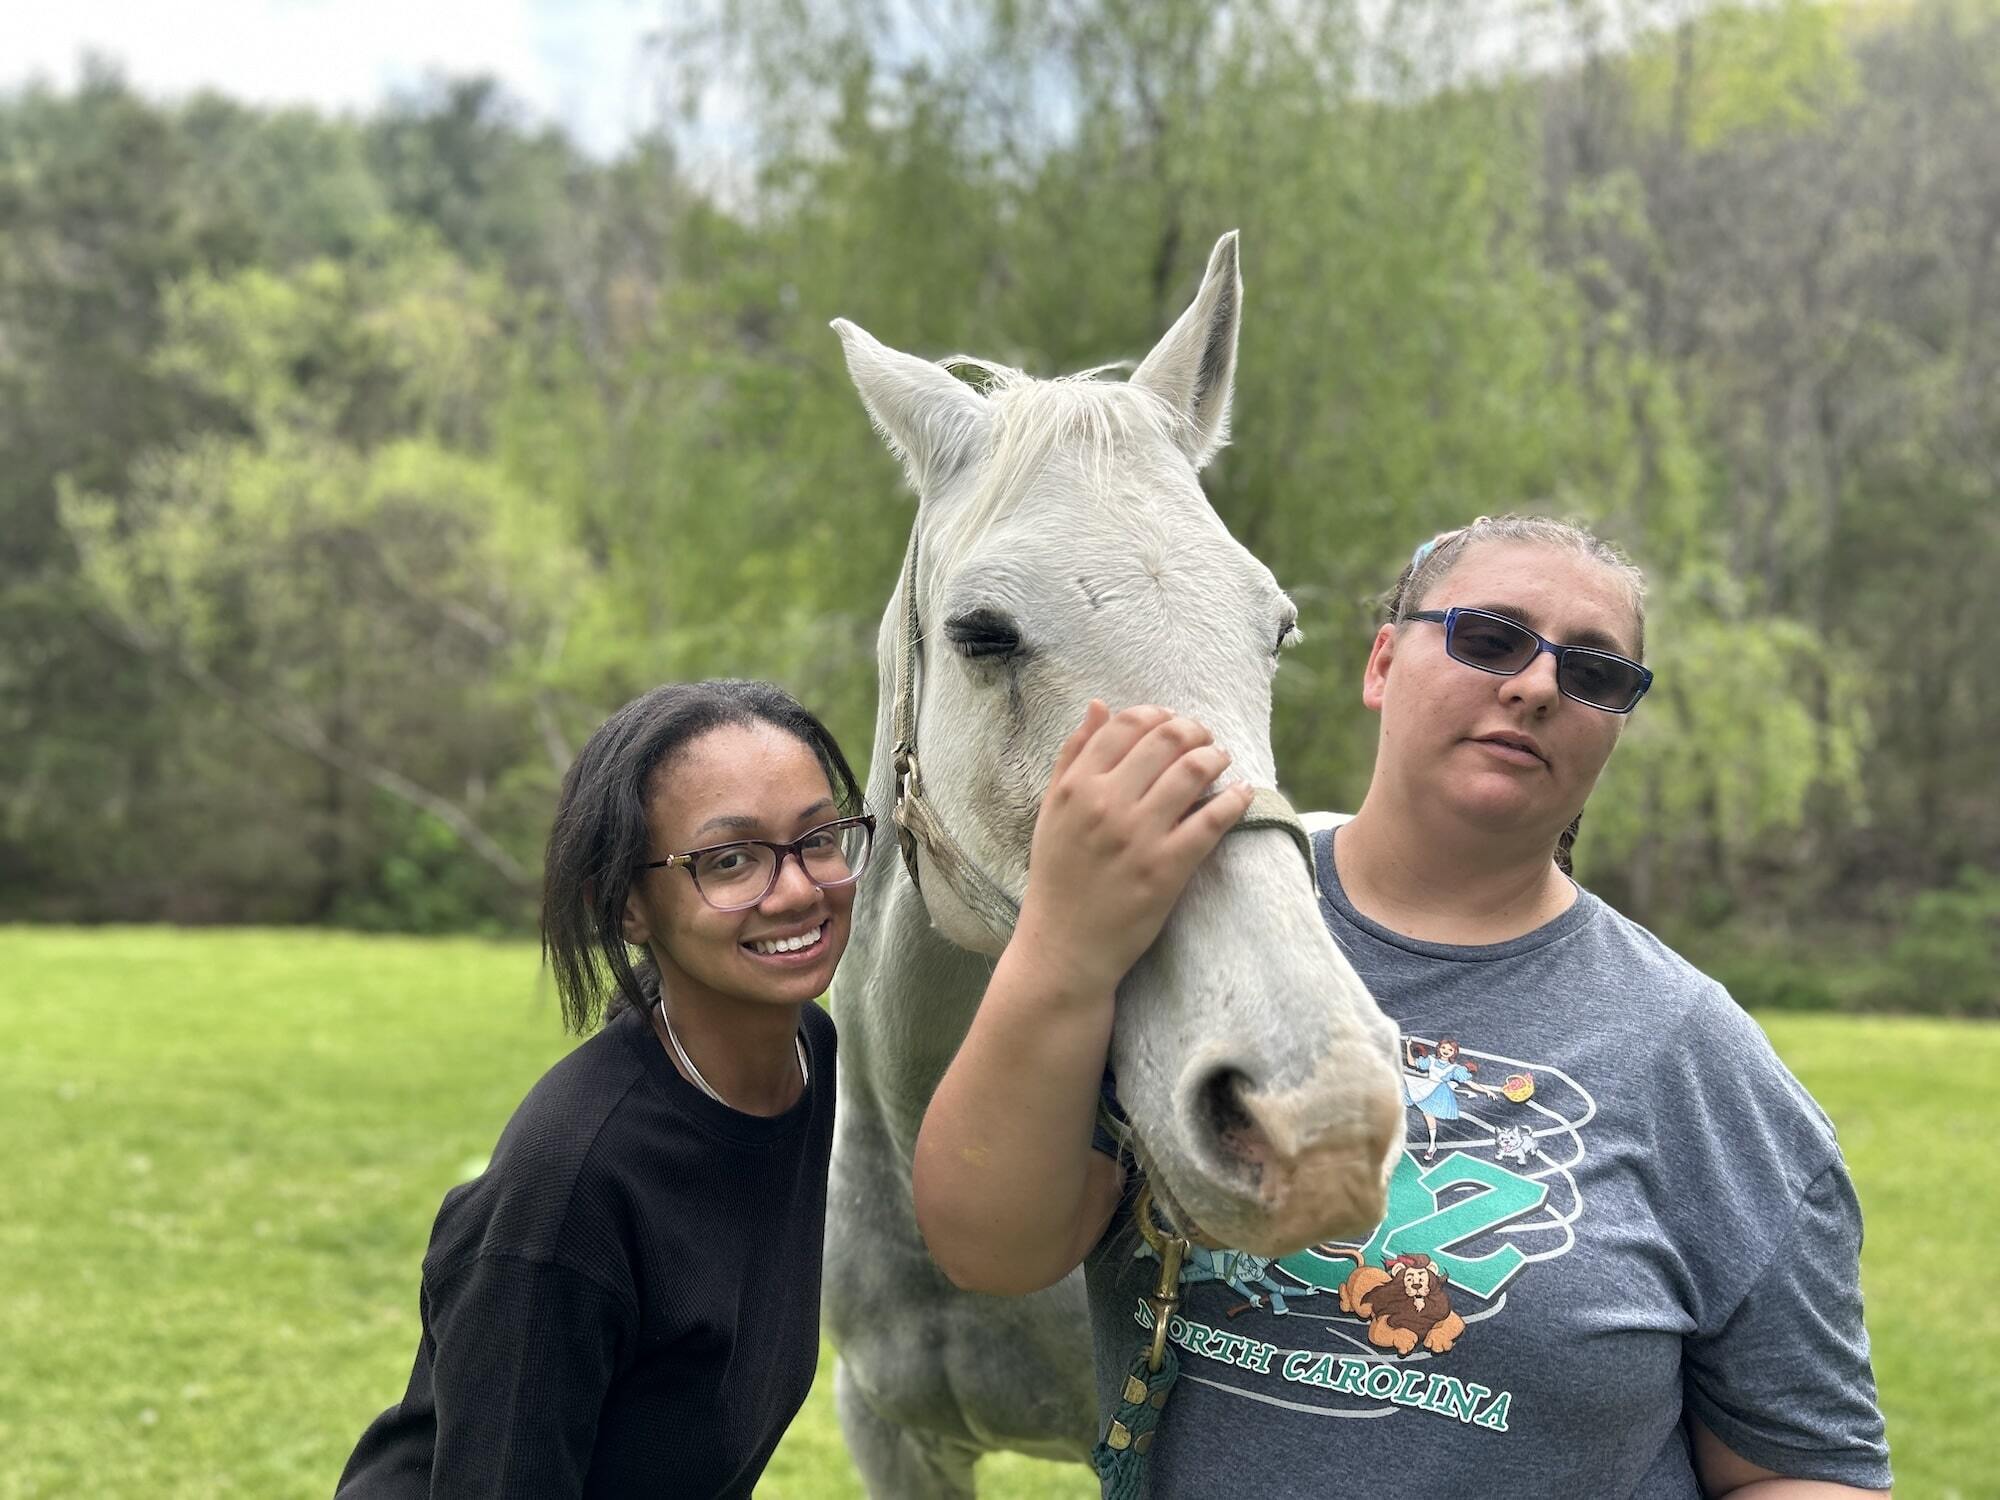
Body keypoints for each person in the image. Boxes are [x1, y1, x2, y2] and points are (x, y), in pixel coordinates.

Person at [913, 516, 1892, 1497]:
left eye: (1593, 673)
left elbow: (1805, 1469)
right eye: (1488, 638)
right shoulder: (1181, 932)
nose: (1536, 685)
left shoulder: (1696, 1057)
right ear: (1381, 662)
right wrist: (1062, 942)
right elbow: (989, 1246)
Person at [336, 679, 872, 1499]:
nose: (799, 889)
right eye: (729, 860)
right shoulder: (568, 1191)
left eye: (819, 838)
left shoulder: (808, 1054)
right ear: (625, 907)